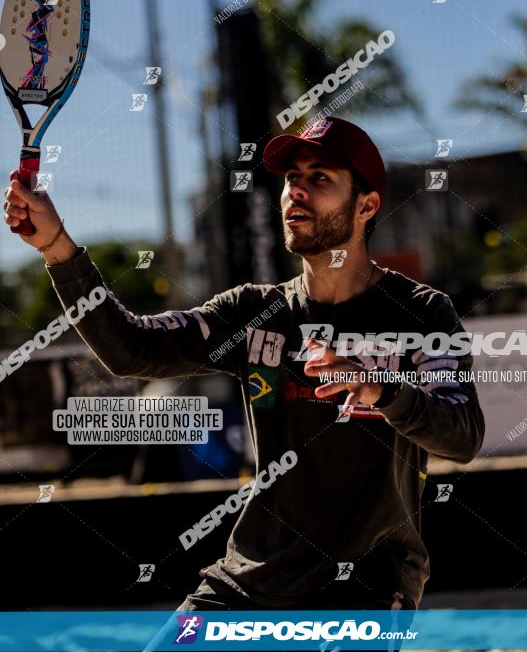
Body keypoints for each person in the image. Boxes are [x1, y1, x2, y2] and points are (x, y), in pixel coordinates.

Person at [3, 116, 484, 615]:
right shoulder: (252, 313)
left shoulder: (423, 312)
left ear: (366, 205)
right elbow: (131, 350)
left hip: (367, 583)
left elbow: (463, 436)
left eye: (320, 178)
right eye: (292, 178)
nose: (297, 189)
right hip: (249, 579)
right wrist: (57, 248)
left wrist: (383, 390)